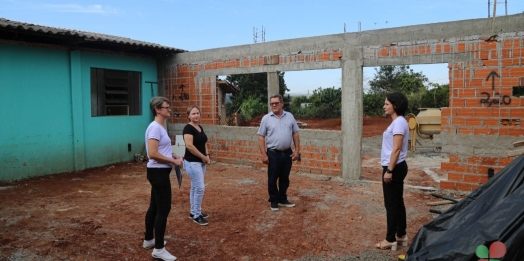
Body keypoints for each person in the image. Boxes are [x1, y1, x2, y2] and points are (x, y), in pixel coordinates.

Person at [143, 96, 182, 261]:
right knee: (163, 209)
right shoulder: (155, 128)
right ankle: (158, 248)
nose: (169, 109)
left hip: (158, 171)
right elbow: (151, 154)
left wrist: (171, 154)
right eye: (166, 107)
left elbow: (159, 150)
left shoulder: (160, 127)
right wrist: (173, 161)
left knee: (154, 206)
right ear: (157, 109)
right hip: (158, 173)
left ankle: (149, 240)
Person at [375, 92, 410, 251]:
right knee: (398, 202)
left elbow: (396, 149)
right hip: (397, 166)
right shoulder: (399, 122)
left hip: (394, 167)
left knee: (391, 205)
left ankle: (390, 239)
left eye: (387, 104)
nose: (384, 106)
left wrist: (389, 170)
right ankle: (401, 236)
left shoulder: (398, 123)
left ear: (395, 106)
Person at [257, 93, 301, 211]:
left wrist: (297, 150)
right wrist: (263, 154)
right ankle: (274, 200)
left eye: (276, 103)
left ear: (282, 103)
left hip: (287, 153)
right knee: (272, 178)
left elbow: (295, 133)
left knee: (285, 178)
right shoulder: (266, 119)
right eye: (272, 103)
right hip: (273, 153)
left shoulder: (290, 116)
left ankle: (282, 198)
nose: (274, 105)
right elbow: (261, 136)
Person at [183, 105, 211, 226]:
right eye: (193, 113)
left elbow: (204, 142)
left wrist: (207, 155)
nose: (196, 115)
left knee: (195, 187)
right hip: (192, 162)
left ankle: (193, 211)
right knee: (200, 188)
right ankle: (197, 215)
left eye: (197, 113)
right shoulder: (187, 129)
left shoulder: (199, 127)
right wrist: (203, 157)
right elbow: (190, 146)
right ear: (188, 116)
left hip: (200, 162)